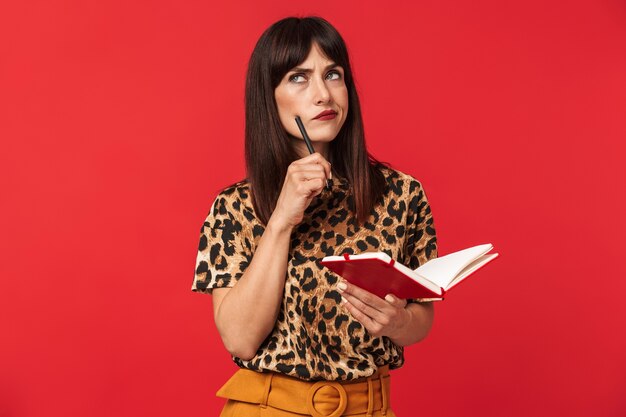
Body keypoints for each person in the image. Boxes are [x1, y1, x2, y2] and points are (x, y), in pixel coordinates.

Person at [192, 16, 437, 417]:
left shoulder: (401, 194)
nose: (323, 94)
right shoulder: (235, 207)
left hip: (369, 408)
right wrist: (282, 220)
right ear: (268, 97)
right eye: (298, 77)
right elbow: (239, 339)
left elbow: (422, 316)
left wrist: (397, 322)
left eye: (333, 74)